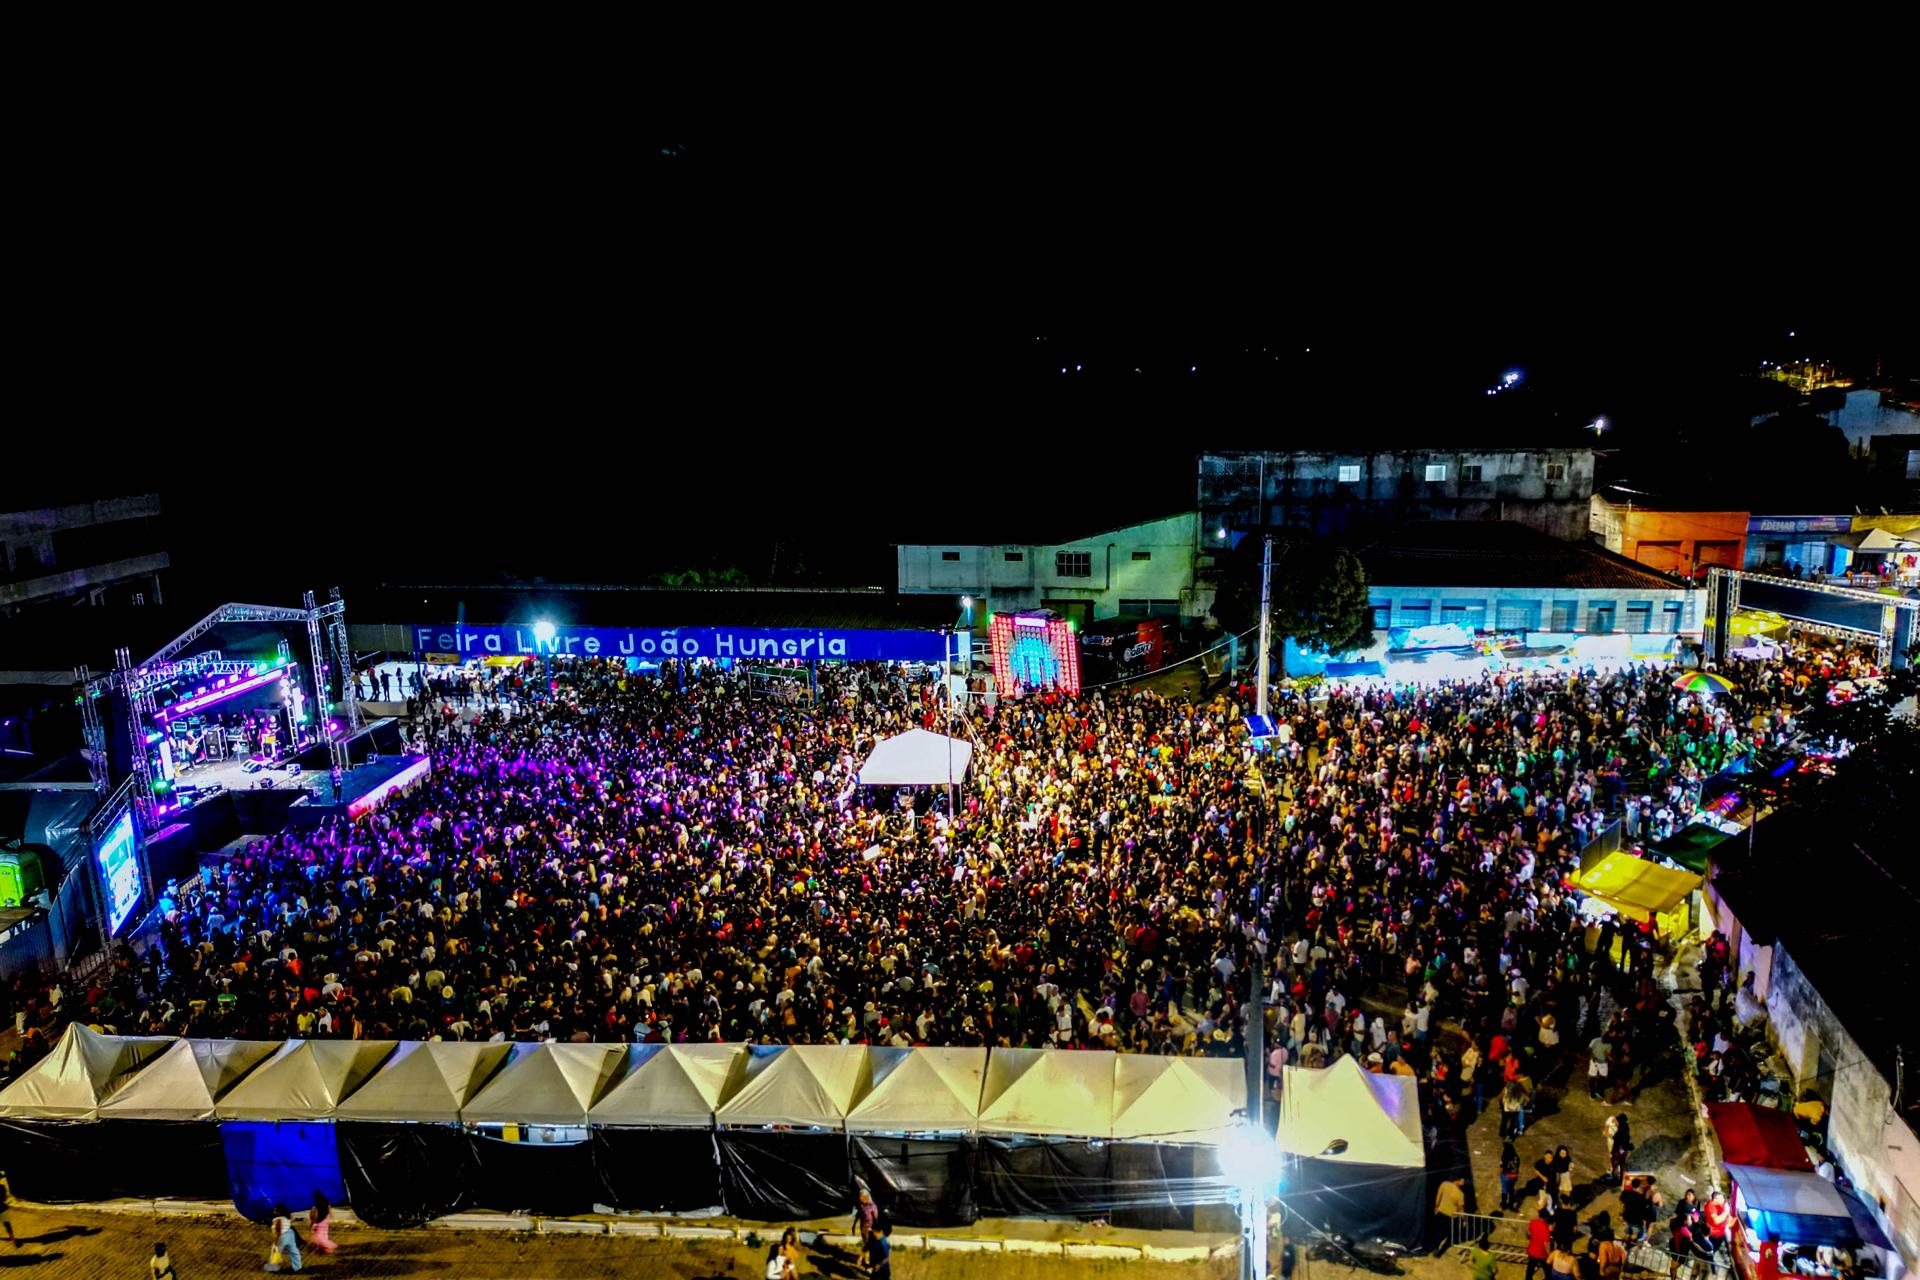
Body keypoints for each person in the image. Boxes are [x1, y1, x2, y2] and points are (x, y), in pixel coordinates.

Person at [264, 1204, 301, 1273]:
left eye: (275, 1210)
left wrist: (276, 1241)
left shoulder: (277, 1220)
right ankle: (297, 1267)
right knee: (294, 1251)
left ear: (279, 1211)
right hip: (290, 1234)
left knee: (275, 1251)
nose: (274, 1211)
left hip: (282, 1236)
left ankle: (273, 1267)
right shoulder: (287, 1217)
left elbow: (278, 1231)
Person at [1434, 1176, 1466, 1250]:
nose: (1463, 1182)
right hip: (1450, 1216)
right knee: (1445, 1233)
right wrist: (1464, 1219)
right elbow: (1461, 1209)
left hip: (1440, 1212)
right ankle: (1439, 1248)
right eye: (1462, 1180)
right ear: (1458, 1180)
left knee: (1439, 1232)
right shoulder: (1460, 1194)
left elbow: (1438, 1198)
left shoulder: (1444, 1184)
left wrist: (1436, 1208)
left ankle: (1436, 1247)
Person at [1524, 1207, 1552, 1280]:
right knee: (1547, 1271)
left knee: (1529, 1270)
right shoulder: (1546, 1229)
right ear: (1546, 1217)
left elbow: (1528, 1233)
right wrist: (1550, 1255)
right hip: (1542, 1254)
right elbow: (1546, 1245)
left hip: (1532, 1251)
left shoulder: (1533, 1222)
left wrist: (1532, 1238)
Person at [0, 1169, 15, 1248]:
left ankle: (12, 1238)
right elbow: (4, 1198)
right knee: (6, 1223)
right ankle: (12, 1238)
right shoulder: (2, 1187)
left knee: (6, 1223)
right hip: (1, 1207)